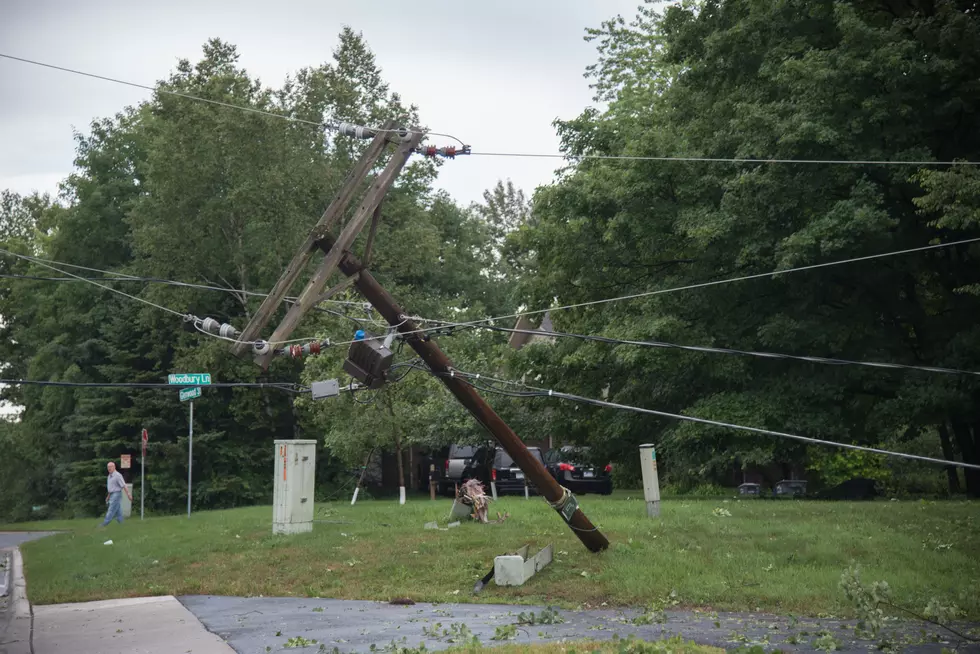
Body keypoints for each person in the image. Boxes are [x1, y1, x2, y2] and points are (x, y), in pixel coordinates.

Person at [101, 461, 132, 526]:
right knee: (118, 511)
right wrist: (108, 496)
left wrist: (128, 494)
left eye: (110, 467)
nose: (109, 468)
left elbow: (124, 485)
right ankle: (122, 524)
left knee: (111, 509)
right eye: (108, 467)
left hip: (116, 494)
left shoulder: (118, 475)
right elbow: (110, 488)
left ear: (114, 467)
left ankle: (104, 524)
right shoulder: (109, 476)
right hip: (111, 494)